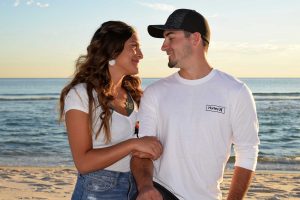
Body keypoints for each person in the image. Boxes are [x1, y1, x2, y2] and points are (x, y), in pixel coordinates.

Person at [131, 9, 260, 200]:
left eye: (170, 37)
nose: (163, 47)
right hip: (162, 194)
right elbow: (141, 152)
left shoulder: (235, 91)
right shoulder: (155, 92)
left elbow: (248, 150)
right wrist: (145, 187)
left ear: (195, 38)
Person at [59, 21, 163, 200]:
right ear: (113, 50)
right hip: (97, 189)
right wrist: (133, 144)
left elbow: (141, 148)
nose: (141, 54)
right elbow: (83, 163)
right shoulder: (81, 94)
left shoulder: (134, 96)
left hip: (133, 187)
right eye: (134, 47)